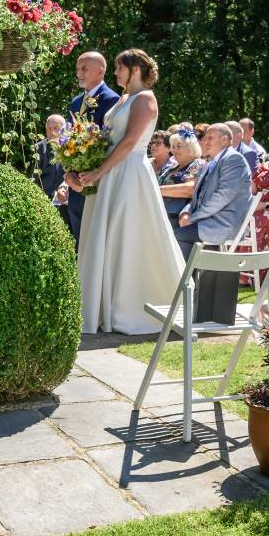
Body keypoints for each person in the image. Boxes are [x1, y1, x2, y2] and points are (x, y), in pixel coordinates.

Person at [72, 48, 185, 335]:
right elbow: (107, 139)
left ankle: (125, 308)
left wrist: (98, 171)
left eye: (121, 68)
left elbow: (129, 142)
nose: (116, 72)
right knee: (106, 236)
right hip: (111, 174)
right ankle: (102, 307)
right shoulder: (123, 98)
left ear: (135, 70)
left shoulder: (145, 99)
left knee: (126, 236)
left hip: (129, 174)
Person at [66, 51, 120, 245]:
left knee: (93, 240)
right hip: (75, 183)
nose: (79, 73)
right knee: (77, 238)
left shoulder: (112, 100)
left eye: (84, 68)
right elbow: (68, 140)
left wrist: (91, 171)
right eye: (78, 68)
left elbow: (109, 142)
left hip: (97, 181)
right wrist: (69, 172)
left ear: (100, 71)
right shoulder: (75, 102)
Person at [174, 124, 252, 258]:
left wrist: (193, 218)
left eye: (210, 138)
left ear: (224, 140)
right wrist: (185, 213)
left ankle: (185, 278)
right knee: (170, 233)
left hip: (222, 225)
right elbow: (196, 196)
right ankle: (188, 278)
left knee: (175, 237)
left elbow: (222, 197)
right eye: (205, 138)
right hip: (205, 221)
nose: (205, 142)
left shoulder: (234, 159)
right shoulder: (210, 164)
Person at [32, 113, 71, 229]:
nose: (52, 132)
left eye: (56, 128)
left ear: (63, 130)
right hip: (44, 201)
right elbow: (34, 178)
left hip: (65, 201)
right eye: (49, 128)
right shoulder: (39, 148)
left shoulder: (72, 148)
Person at [158, 130, 206, 224]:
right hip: (159, 212)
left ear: (190, 148)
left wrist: (156, 189)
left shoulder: (197, 164)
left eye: (178, 147)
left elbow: (189, 189)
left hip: (176, 216)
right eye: (173, 147)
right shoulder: (171, 166)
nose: (174, 150)